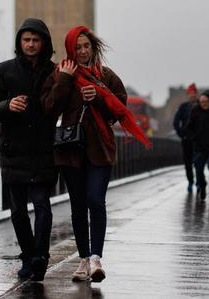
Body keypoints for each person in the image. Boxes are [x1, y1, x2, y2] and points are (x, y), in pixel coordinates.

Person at [42, 26, 150, 284]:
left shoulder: (106, 75)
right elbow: (48, 107)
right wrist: (66, 80)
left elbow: (120, 109)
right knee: (78, 206)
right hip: (70, 150)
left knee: (95, 200)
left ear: (93, 47)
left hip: (100, 148)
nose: (82, 51)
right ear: (71, 49)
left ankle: (95, 258)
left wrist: (99, 97)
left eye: (86, 46)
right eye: (77, 47)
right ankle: (82, 258)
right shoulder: (60, 72)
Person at [0, 18, 57, 282]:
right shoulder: (4, 70)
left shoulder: (54, 72)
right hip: (14, 151)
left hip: (44, 150)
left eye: (36, 40)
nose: (31, 44)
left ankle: (41, 256)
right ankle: (28, 255)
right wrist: (7, 106)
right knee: (18, 212)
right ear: (19, 42)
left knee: (43, 206)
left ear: (44, 42)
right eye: (26, 40)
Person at [172, 83, 199, 192]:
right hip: (186, 139)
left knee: (198, 162)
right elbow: (176, 122)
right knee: (188, 162)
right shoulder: (183, 107)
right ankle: (191, 181)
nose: (192, 95)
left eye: (194, 93)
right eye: (190, 94)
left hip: (198, 139)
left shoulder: (201, 105)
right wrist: (181, 133)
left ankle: (199, 182)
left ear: (196, 94)